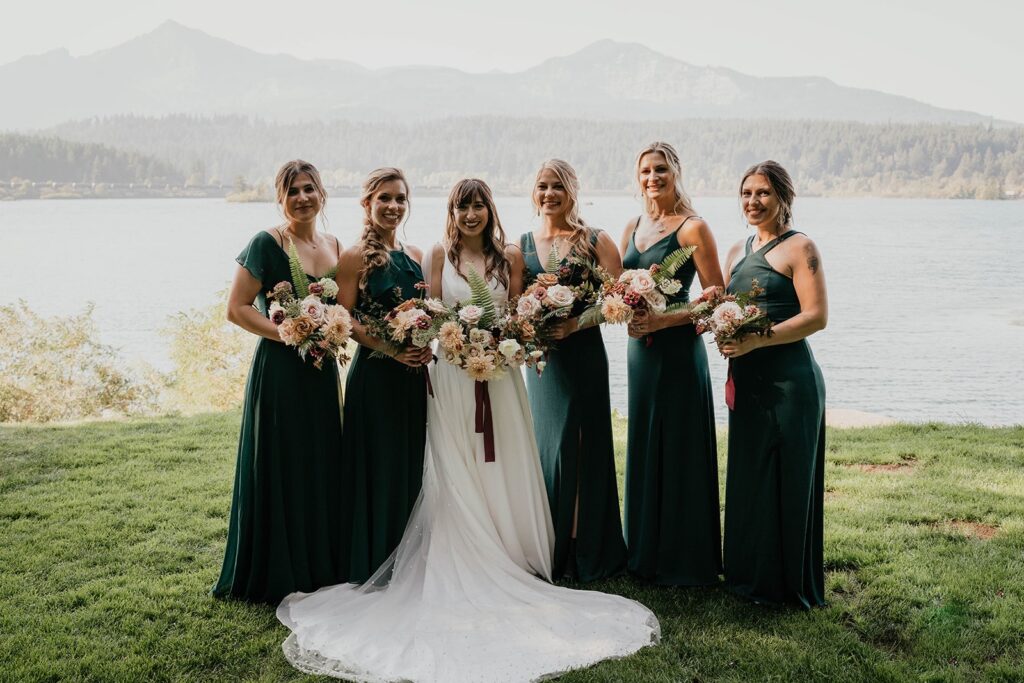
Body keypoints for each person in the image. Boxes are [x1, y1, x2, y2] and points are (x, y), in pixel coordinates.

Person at [276, 179, 659, 682]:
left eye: (479, 205)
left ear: (490, 209)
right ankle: (459, 545)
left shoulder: (510, 256)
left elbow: (522, 317)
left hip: (500, 377)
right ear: (452, 213)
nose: (471, 213)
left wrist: (503, 342)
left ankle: (510, 549)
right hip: (453, 378)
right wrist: (451, 346)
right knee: (455, 462)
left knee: (503, 460)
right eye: (462, 206)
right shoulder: (435, 255)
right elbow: (432, 316)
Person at [213, 160, 346, 603]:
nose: (303, 198)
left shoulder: (334, 244)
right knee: (280, 462)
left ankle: (316, 563)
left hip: (322, 372)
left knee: (320, 461)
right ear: (281, 198)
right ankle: (274, 569)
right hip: (281, 372)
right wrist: (290, 333)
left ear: (321, 193)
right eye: (293, 192)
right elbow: (236, 308)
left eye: (310, 189)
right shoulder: (266, 243)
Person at [719, 160, 828, 608]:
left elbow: (816, 316)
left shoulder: (800, 248)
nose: (753, 202)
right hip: (747, 381)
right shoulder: (736, 250)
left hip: (790, 383)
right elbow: (730, 306)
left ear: (784, 197)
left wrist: (756, 340)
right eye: (746, 193)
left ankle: (786, 585)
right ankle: (749, 577)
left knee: (788, 478)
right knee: (751, 477)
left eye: (763, 193)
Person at [619, 142, 724, 585]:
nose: (652, 178)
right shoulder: (631, 226)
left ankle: (687, 558)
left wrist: (663, 319)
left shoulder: (693, 228)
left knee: (680, 443)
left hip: (679, 351)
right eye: (645, 170)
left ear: (675, 172)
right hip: (639, 354)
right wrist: (622, 311)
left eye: (660, 169)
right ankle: (644, 554)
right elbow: (618, 288)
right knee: (644, 440)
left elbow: (717, 296)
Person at [520, 159, 627, 582]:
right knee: (549, 448)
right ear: (534, 192)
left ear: (572, 191)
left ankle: (587, 547)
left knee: (582, 445)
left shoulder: (594, 240)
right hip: (544, 364)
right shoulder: (521, 246)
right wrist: (531, 326)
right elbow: (513, 305)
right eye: (543, 186)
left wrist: (576, 322)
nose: (549, 194)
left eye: (557, 187)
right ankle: (553, 544)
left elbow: (619, 300)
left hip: (583, 356)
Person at [336, 167, 432, 583]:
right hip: (375, 378)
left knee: (408, 464)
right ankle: (370, 558)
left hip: (412, 380)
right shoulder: (355, 256)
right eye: (385, 199)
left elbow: (426, 312)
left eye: (400, 199)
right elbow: (344, 318)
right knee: (376, 463)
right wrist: (392, 349)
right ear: (367, 204)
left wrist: (426, 342)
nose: (393, 207)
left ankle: (405, 558)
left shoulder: (414, 255)